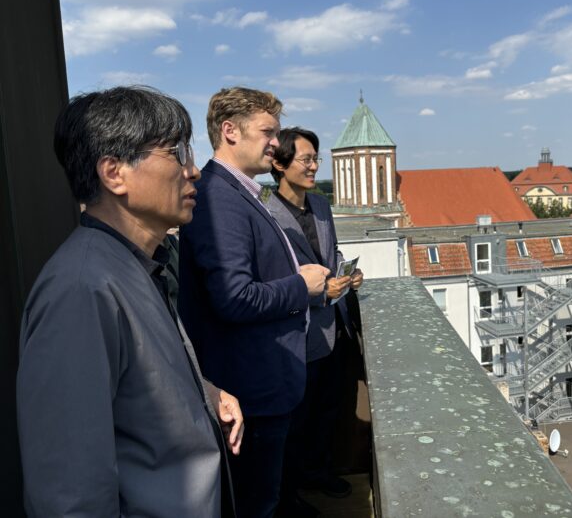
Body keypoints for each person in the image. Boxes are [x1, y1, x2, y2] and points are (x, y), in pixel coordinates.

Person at [16, 86, 244, 518]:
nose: (193, 170)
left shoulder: (138, 263)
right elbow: (70, 497)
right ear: (114, 173)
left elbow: (135, 384)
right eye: (176, 152)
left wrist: (204, 393)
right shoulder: (82, 289)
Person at [178, 88, 330, 518]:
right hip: (250, 394)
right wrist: (302, 286)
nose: (275, 143)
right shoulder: (218, 197)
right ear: (229, 131)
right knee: (254, 505)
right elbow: (234, 297)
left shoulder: (237, 191)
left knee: (265, 498)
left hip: (260, 388)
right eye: (267, 131)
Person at [265, 127, 363, 517]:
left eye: (315, 159)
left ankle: (317, 474)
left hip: (332, 331)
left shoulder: (321, 205)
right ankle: (289, 496)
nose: (314, 167)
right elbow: (274, 281)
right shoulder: (266, 212)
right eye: (306, 160)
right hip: (294, 336)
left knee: (326, 411)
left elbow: (332, 253)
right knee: (295, 423)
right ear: (279, 164)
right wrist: (322, 291)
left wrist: (347, 276)